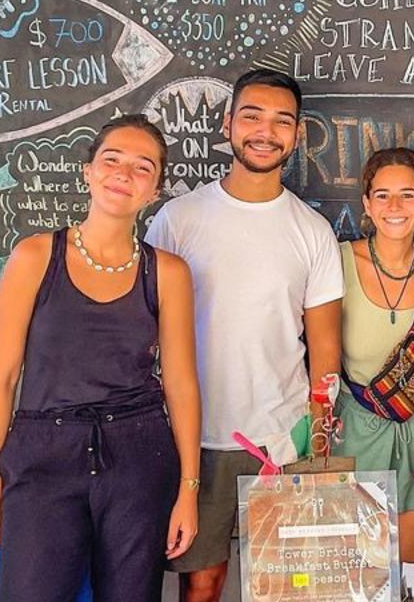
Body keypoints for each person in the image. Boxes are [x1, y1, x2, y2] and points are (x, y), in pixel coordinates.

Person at [0, 114, 202, 602]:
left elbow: (181, 385)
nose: (124, 174)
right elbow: (2, 378)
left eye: (142, 167)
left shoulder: (168, 273)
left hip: (138, 456)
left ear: (155, 191)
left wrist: (188, 489)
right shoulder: (35, 257)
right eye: (111, 160)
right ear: (88, 172)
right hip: (42, 456)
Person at [145, 69, 343, 602]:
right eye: (252, 116)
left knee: (289, 586)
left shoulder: (312, 231)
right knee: (202, 583)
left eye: (282, 121)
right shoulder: (178, 220)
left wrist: (317, 438)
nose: (265, 132)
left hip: (282, 438)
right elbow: (146, 330)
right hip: (195, 438)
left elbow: (325, 348)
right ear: (228, 124)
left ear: (297, 135)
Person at [332, 148, 414, 563]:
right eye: (382, 195)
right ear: (367, 204)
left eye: (408, 195)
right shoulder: (339, 260)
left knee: (410, 571)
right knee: (357, 571)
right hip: (354, 429)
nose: (395, 207)